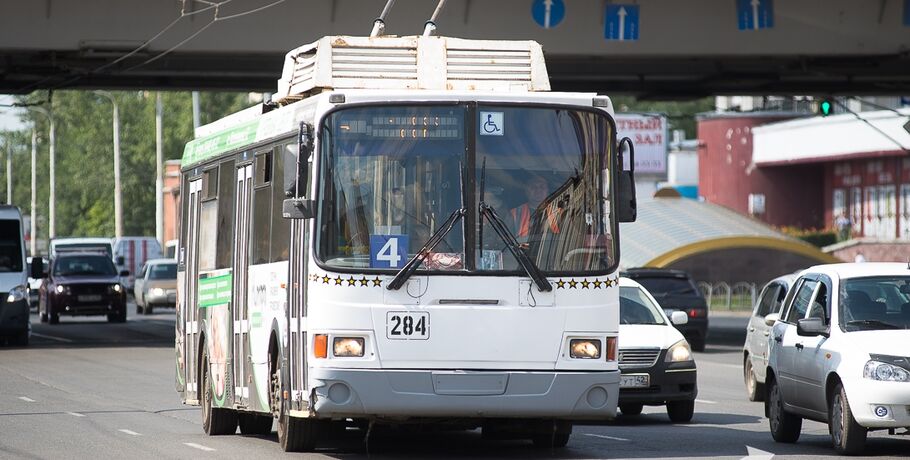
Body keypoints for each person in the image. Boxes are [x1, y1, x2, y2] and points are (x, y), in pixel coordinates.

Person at [509, 174, 562, 242]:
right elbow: (505, 240)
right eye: (533, 187)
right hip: (519, 251)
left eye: (542, 187)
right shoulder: (515, 213)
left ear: (548, 191)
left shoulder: (558, 212)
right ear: (526, 190)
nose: (538, 190)